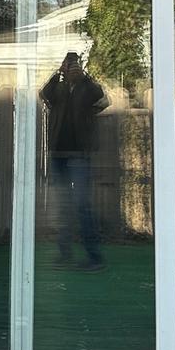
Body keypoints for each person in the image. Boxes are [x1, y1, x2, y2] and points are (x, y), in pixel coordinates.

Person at [39, 52, 108, 270]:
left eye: (75, 65)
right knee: (63, 206)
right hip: (58, 152)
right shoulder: (57, 88)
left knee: (81, 205)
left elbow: (101, 98)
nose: (71, 69)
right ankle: (64, 254)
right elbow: (43, 94)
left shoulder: (87, 88)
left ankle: (94, 257)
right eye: (69, 66)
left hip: (79, 153)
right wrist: (57, 74)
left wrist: (84, 77)